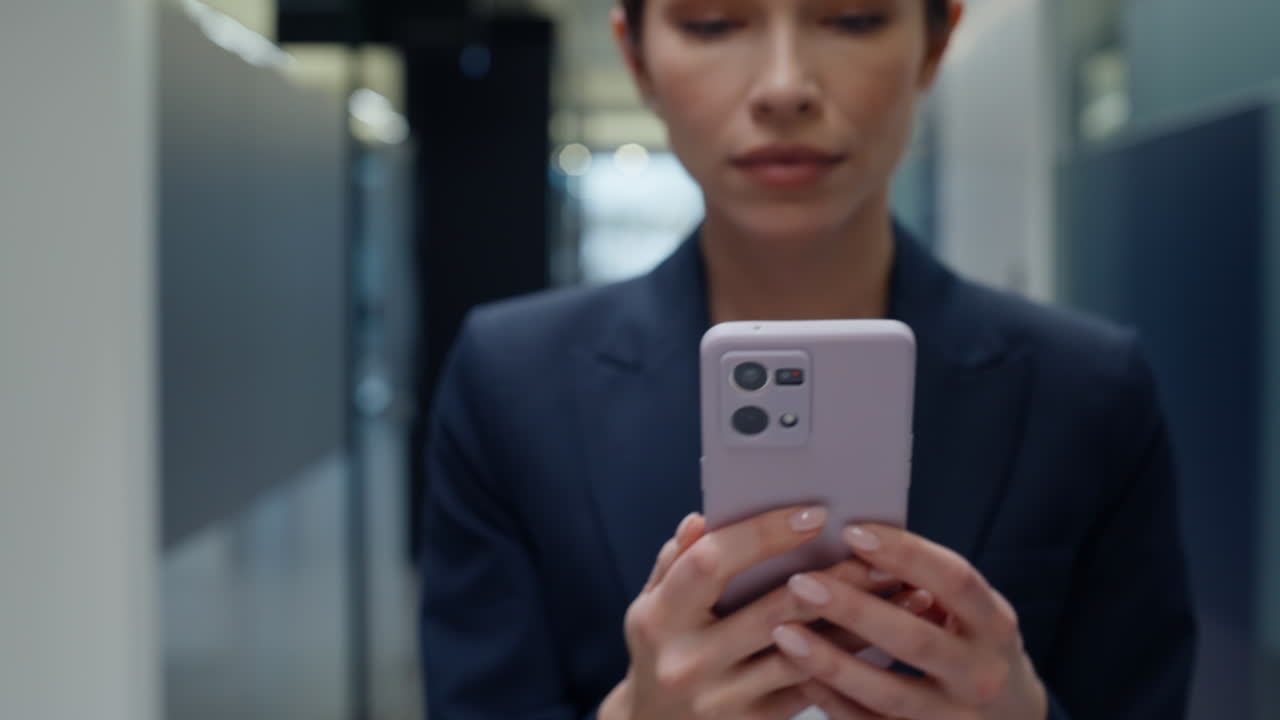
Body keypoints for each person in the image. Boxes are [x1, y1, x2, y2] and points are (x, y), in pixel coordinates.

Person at [418, 0, 1197, 717]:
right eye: (714, 22)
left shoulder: (1089, 390)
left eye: (852, 17)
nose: (784, 87)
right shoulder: (510, 382)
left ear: (934, 41)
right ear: (639, 60)